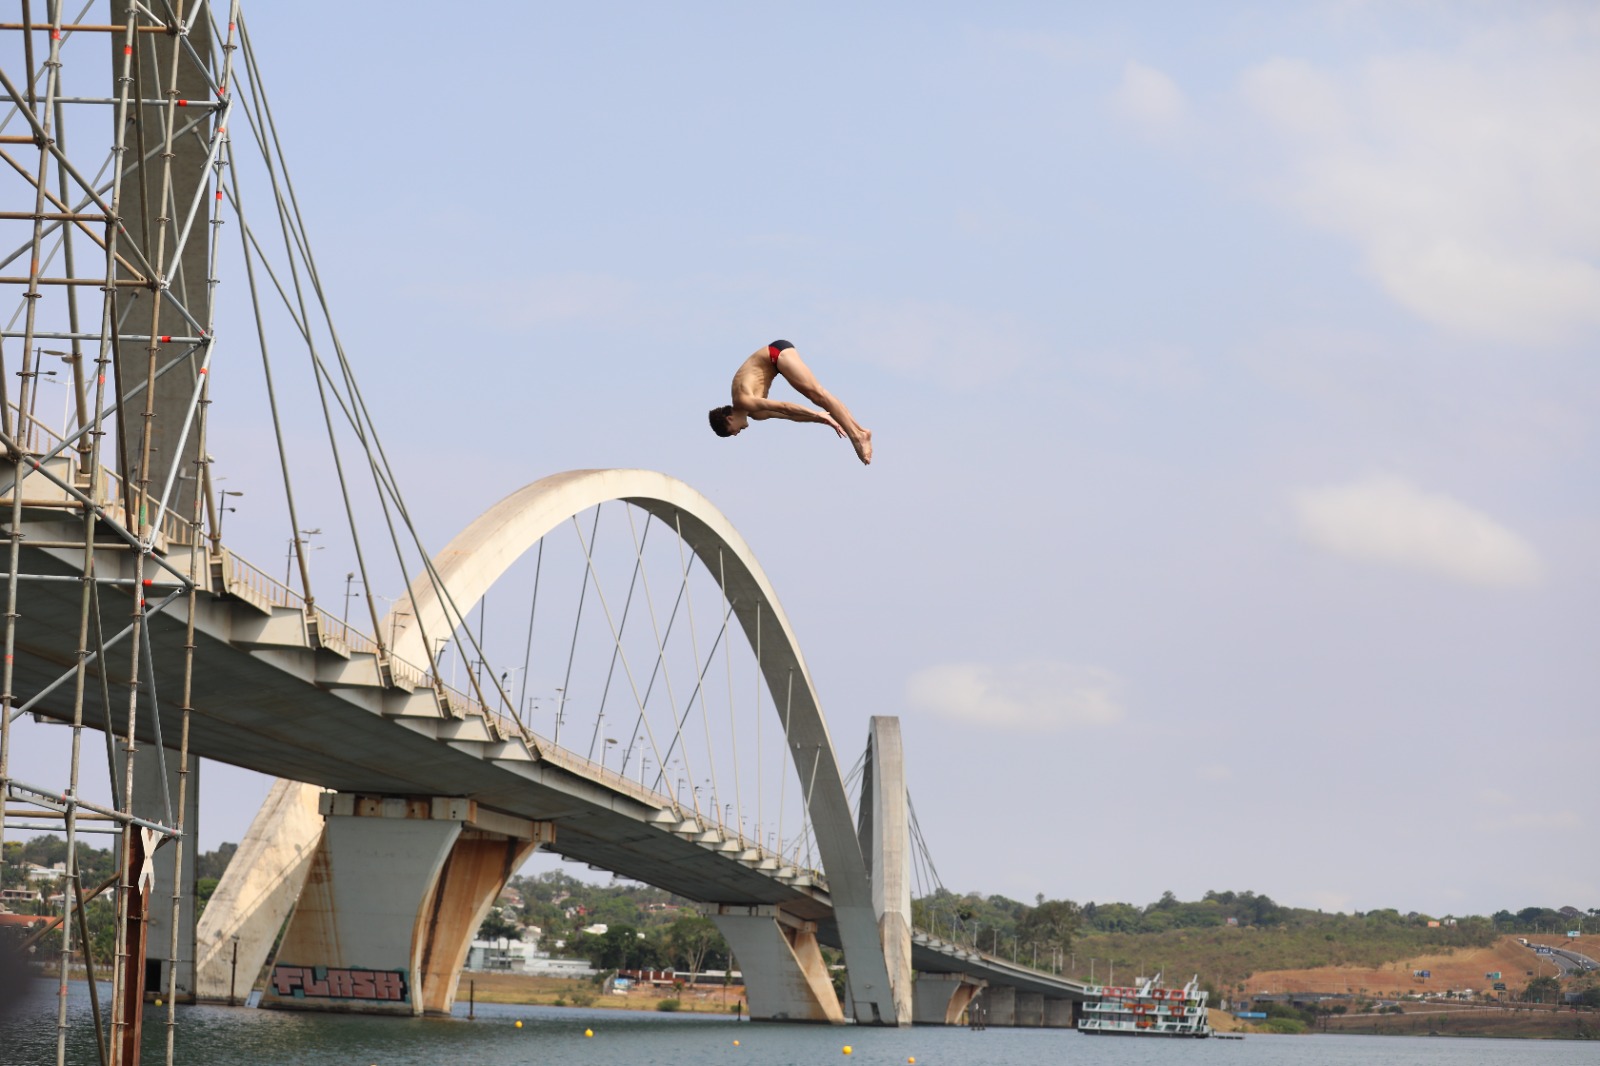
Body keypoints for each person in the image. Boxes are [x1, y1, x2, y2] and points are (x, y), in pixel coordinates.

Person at [707, 340, 873, 464]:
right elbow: (790, 415)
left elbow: (784, 406)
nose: (736, 434)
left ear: (729, 419)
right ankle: (860, 431)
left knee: (818, 394)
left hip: (776, 354)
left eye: (731, 431)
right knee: (817, 397)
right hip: (775, 363)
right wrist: (822, 419)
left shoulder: (743, 400)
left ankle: (858, 436)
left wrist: (816, 413)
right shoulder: (756, 414)